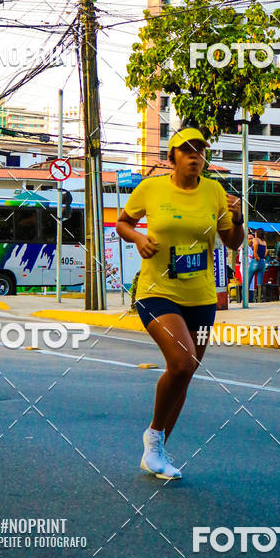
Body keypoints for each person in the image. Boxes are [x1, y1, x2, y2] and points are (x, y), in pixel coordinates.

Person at [116, 128, 244, 481]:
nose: (194, 156)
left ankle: (156, 449)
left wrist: (238, 217)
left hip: (201, 298)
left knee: (184, 373)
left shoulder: (214, 192)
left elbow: (232, 241)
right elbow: (123, 223)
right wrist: (139, 238)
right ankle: (154, 438)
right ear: (172, 157)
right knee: (182, 359)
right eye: (186, 151)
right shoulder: (152, 188)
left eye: (200, 151)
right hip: (156, 291)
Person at [249, 228, 267, 301]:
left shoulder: (255, 239)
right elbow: (266, 253)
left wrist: (255, 254)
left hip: (255, 261)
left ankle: (244, 299)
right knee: (260, 282)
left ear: (257, 234)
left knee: (248, 279)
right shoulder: (264, 242)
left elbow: (255, 243)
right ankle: (259, 298)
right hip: (262, 262)